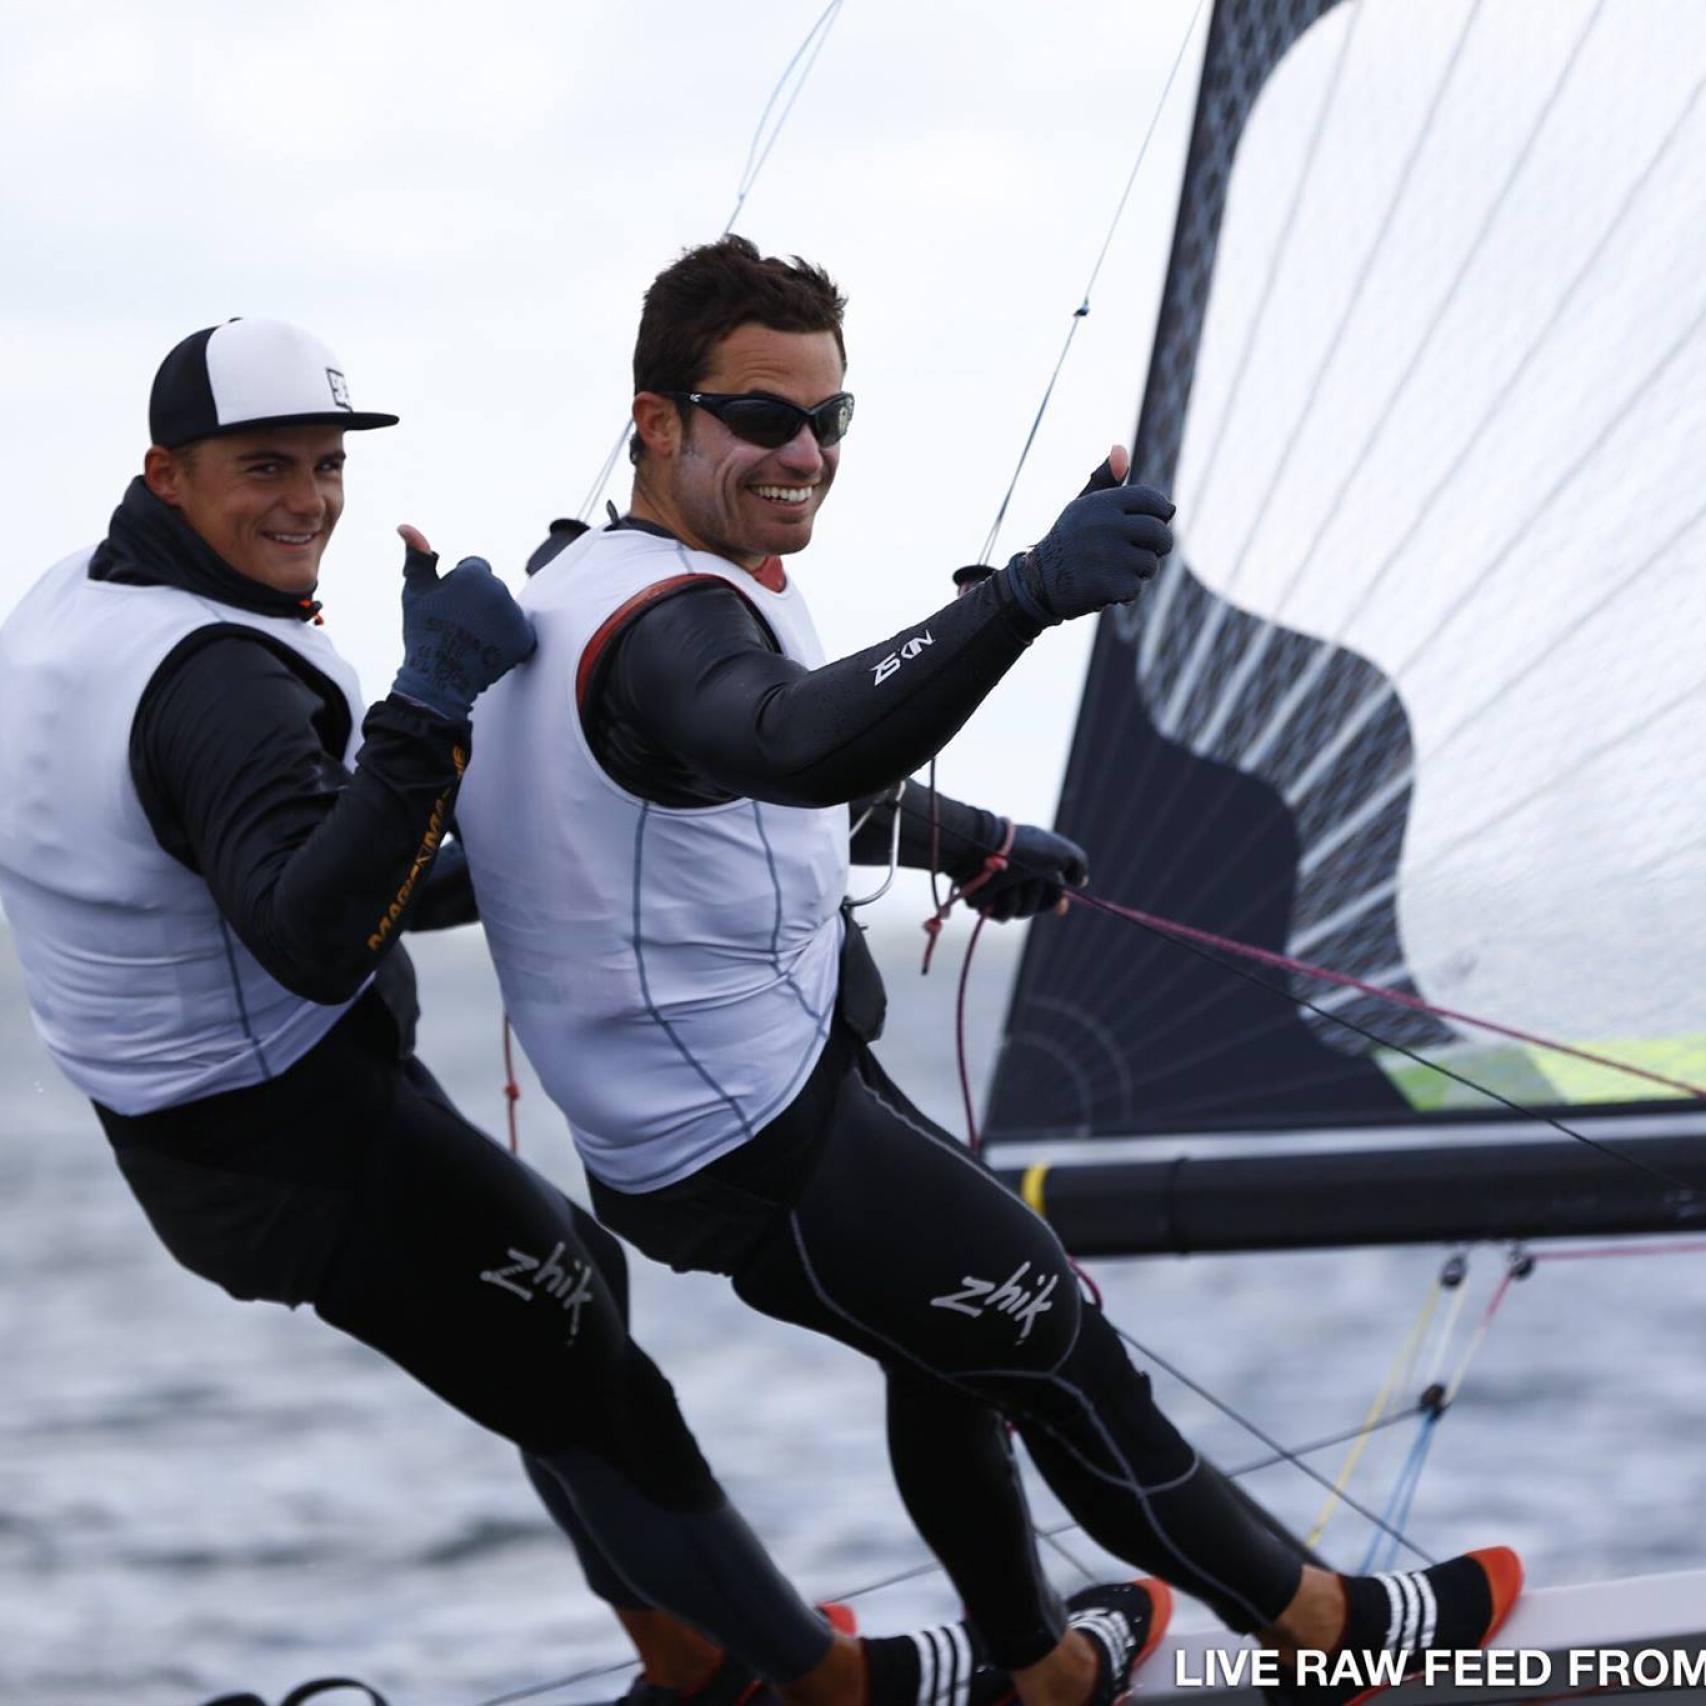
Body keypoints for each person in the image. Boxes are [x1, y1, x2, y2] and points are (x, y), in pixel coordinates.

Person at [456, 238, 1525, 1706]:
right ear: (658, 420)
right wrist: (1022, 593)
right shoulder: (669, 625)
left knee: (952, 1357)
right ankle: (1325, 1628)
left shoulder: (590, 579)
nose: (805, 451)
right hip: (758, 1144)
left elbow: (727, 777)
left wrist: (956, 831)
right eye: (765, 415)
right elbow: (787, 737)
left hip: (741, 1112)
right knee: (1064, 1351)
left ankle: (1032, 1667)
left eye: (832, 418)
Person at [0, 316, 1008, 1706]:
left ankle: (690, 1663)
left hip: (210, 1130)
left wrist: (548, 819)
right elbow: (317, 934)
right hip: (299, 1142)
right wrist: (428, 699)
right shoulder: (217, 684)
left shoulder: (81, 601)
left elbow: (351, 866)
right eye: (261, 468)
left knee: (570, 1291)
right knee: (598, 1381)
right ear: (167, 474)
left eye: (323, 463)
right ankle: (820, 1684)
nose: (305, 500)